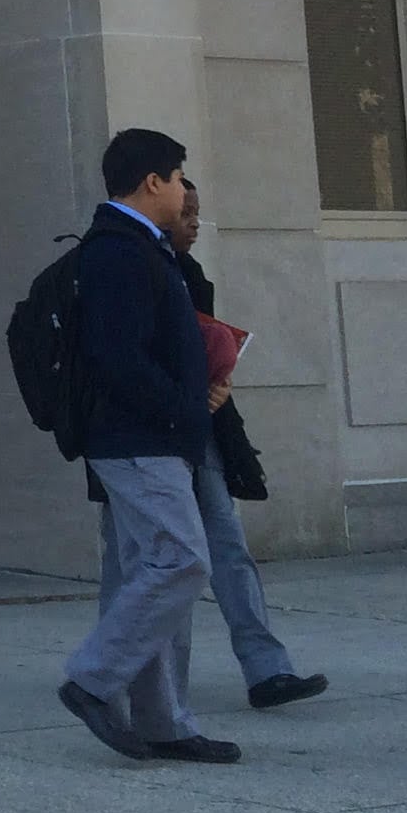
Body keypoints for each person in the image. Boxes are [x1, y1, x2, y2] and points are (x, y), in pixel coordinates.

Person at [56, 127, 239, 765]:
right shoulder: (119, 252)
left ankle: (163, 722)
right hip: (138, 441)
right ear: (153, 181)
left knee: (154, 573)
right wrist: (183, 407)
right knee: (182, 562)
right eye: (180, 175)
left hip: (153, 437)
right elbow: (118, 358)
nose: (186, 188)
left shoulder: (141, 247)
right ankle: (92, 679)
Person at [162, 178, 325, 712]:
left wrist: (217, 386)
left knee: (227, 545)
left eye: (198, 213)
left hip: (203, 429)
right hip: (149, 440)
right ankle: (140, 683)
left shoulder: (192, 276)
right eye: (184, 211)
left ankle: (267, 670)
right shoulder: (132, 269)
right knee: (156, 560)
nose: (193, 222)